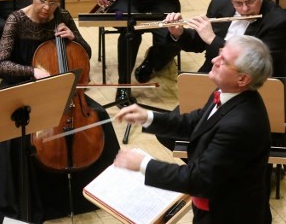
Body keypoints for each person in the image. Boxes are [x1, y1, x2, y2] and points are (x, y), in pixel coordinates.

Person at [0, 0, 120, 223]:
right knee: (17, 136)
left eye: (53, 2)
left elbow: (85, 52)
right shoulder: (16, 19)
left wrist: (74, 38)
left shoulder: (63, 16)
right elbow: (2, 64)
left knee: (99, 115)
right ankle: (27, 200)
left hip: (62, 91)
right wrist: (31, 71)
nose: (47, 7)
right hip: (21, 88)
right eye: (42, 0)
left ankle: (92, 193)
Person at [114, 35, 273, 224]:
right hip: (214, 202)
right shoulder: (227, 92)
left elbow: (198, 179)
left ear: (243, 79)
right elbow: (195, 122)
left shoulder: (240, 125)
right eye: (220, 53)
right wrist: (148, 117)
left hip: (229, 215)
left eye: (224, 61)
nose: (214, 60)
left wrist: (143, 164)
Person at [164, 0, 286, 78]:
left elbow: (256, 63)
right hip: (214, 73)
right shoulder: (219, 4)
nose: (244, 9)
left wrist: (212, 39)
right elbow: (199, 43)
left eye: (250, 1)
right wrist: (179, 33)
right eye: (237, 3)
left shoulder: (279, 21)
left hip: (251, 82)